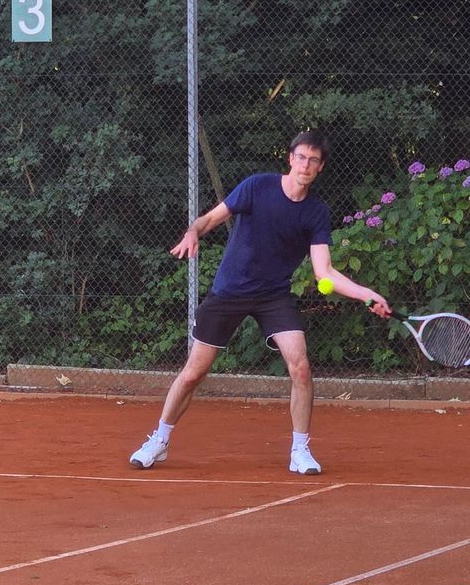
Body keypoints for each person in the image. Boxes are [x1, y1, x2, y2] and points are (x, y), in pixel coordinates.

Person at [129, 131, 390, 475]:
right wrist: (193, 232)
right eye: (301, 157)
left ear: (320, 168)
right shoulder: (257, 186)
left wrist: (366, 294)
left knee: (300, 367)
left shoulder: (316, 212)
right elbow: (210, 219)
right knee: (194, 373)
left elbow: (324, 272)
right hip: (230, 290)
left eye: (313, 160)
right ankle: (160, 440)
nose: (305, 165)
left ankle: (300, 450)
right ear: (290, 158)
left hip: (274, 296)